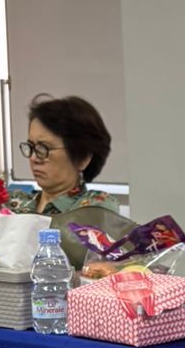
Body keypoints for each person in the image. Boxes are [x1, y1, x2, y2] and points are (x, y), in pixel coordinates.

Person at [8, 95, 134, 270]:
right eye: (31, 147)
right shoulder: (16, 202)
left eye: (44, 148)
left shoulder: (96, 206)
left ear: (82, 158)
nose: (34, 158)